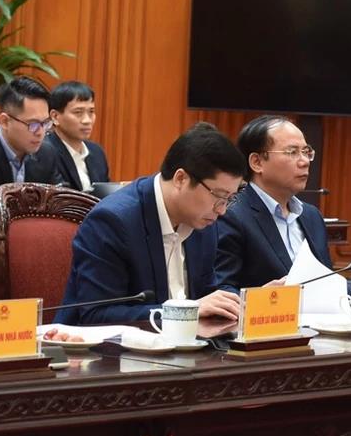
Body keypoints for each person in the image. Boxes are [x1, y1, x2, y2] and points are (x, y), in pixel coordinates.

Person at [56, 123, 247, 324]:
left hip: (189, 341)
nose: (222, 210)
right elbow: (96, 315)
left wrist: (240, 302)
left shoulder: (204, 221)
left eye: (229, 199)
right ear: (181, 179)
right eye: (219, 196)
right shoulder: (113, 221)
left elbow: (207, 292)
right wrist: (187, 311)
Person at [215, 115, 331, 292]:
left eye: (306, 152)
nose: (305, 161)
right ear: (257, 162)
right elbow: (221, 289)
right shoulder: (231, 215)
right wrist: (260, 298)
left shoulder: (312, 216)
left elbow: (328, 281)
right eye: (292, 152)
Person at [0, 77, 61, 212]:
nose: (40, 132)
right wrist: (36, 200)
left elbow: (60, 197)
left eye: (45, 123)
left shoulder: (46, 152)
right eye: (33, 124)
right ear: (5, 121)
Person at [46, 81, 109, 192]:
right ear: (55, 117)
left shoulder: (97, 152)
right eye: (78, 112)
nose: (87, 120)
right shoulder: (45, 153)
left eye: (91, 112)